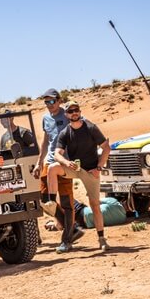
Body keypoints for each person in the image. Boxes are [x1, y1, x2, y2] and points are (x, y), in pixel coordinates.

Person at [44, 100, 111, 252]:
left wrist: (99, 167)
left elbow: (106, 148)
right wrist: (66, 163)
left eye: (76, 110)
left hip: (91, 171)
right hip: (75, 168)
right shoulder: (65, 133)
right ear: (66, 115)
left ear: (80, 112)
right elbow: (57, 154)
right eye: (70, 111)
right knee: (53, 168)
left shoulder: (90, 128)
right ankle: (51, 201)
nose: (74, 113)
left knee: (95, 205)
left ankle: (102, 239)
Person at [33, 89, 85, 254]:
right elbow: (46, 141)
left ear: (59, 101)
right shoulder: (45, 118)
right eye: (46, 102)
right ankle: (73, 228)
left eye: (52, 101)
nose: (49, 104)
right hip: (49, 162)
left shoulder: (68, 115)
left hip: (64, 164)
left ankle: (67, 239)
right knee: (44, 199)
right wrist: (39, 162)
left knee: (66, 202)